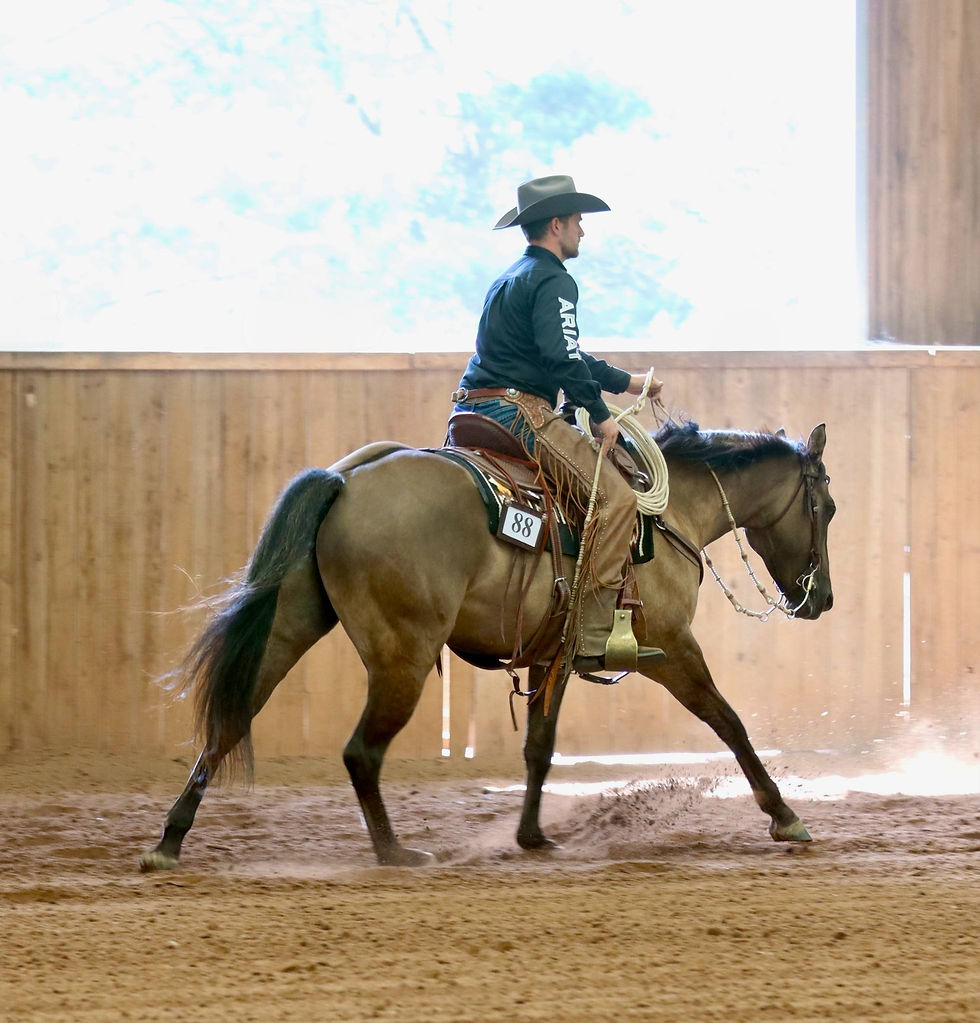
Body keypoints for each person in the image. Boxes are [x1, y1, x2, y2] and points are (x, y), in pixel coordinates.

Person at [451, 174, 666, 674]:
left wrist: (627, 382)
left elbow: (563, 352)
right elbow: (562, 358)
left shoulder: (510, 278)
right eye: (578, 222)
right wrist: (602, 417)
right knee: (616, 500)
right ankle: (592, 633)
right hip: (519, 413)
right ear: (556, 225)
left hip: (472, 410)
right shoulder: (555, 280)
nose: (582, 232)